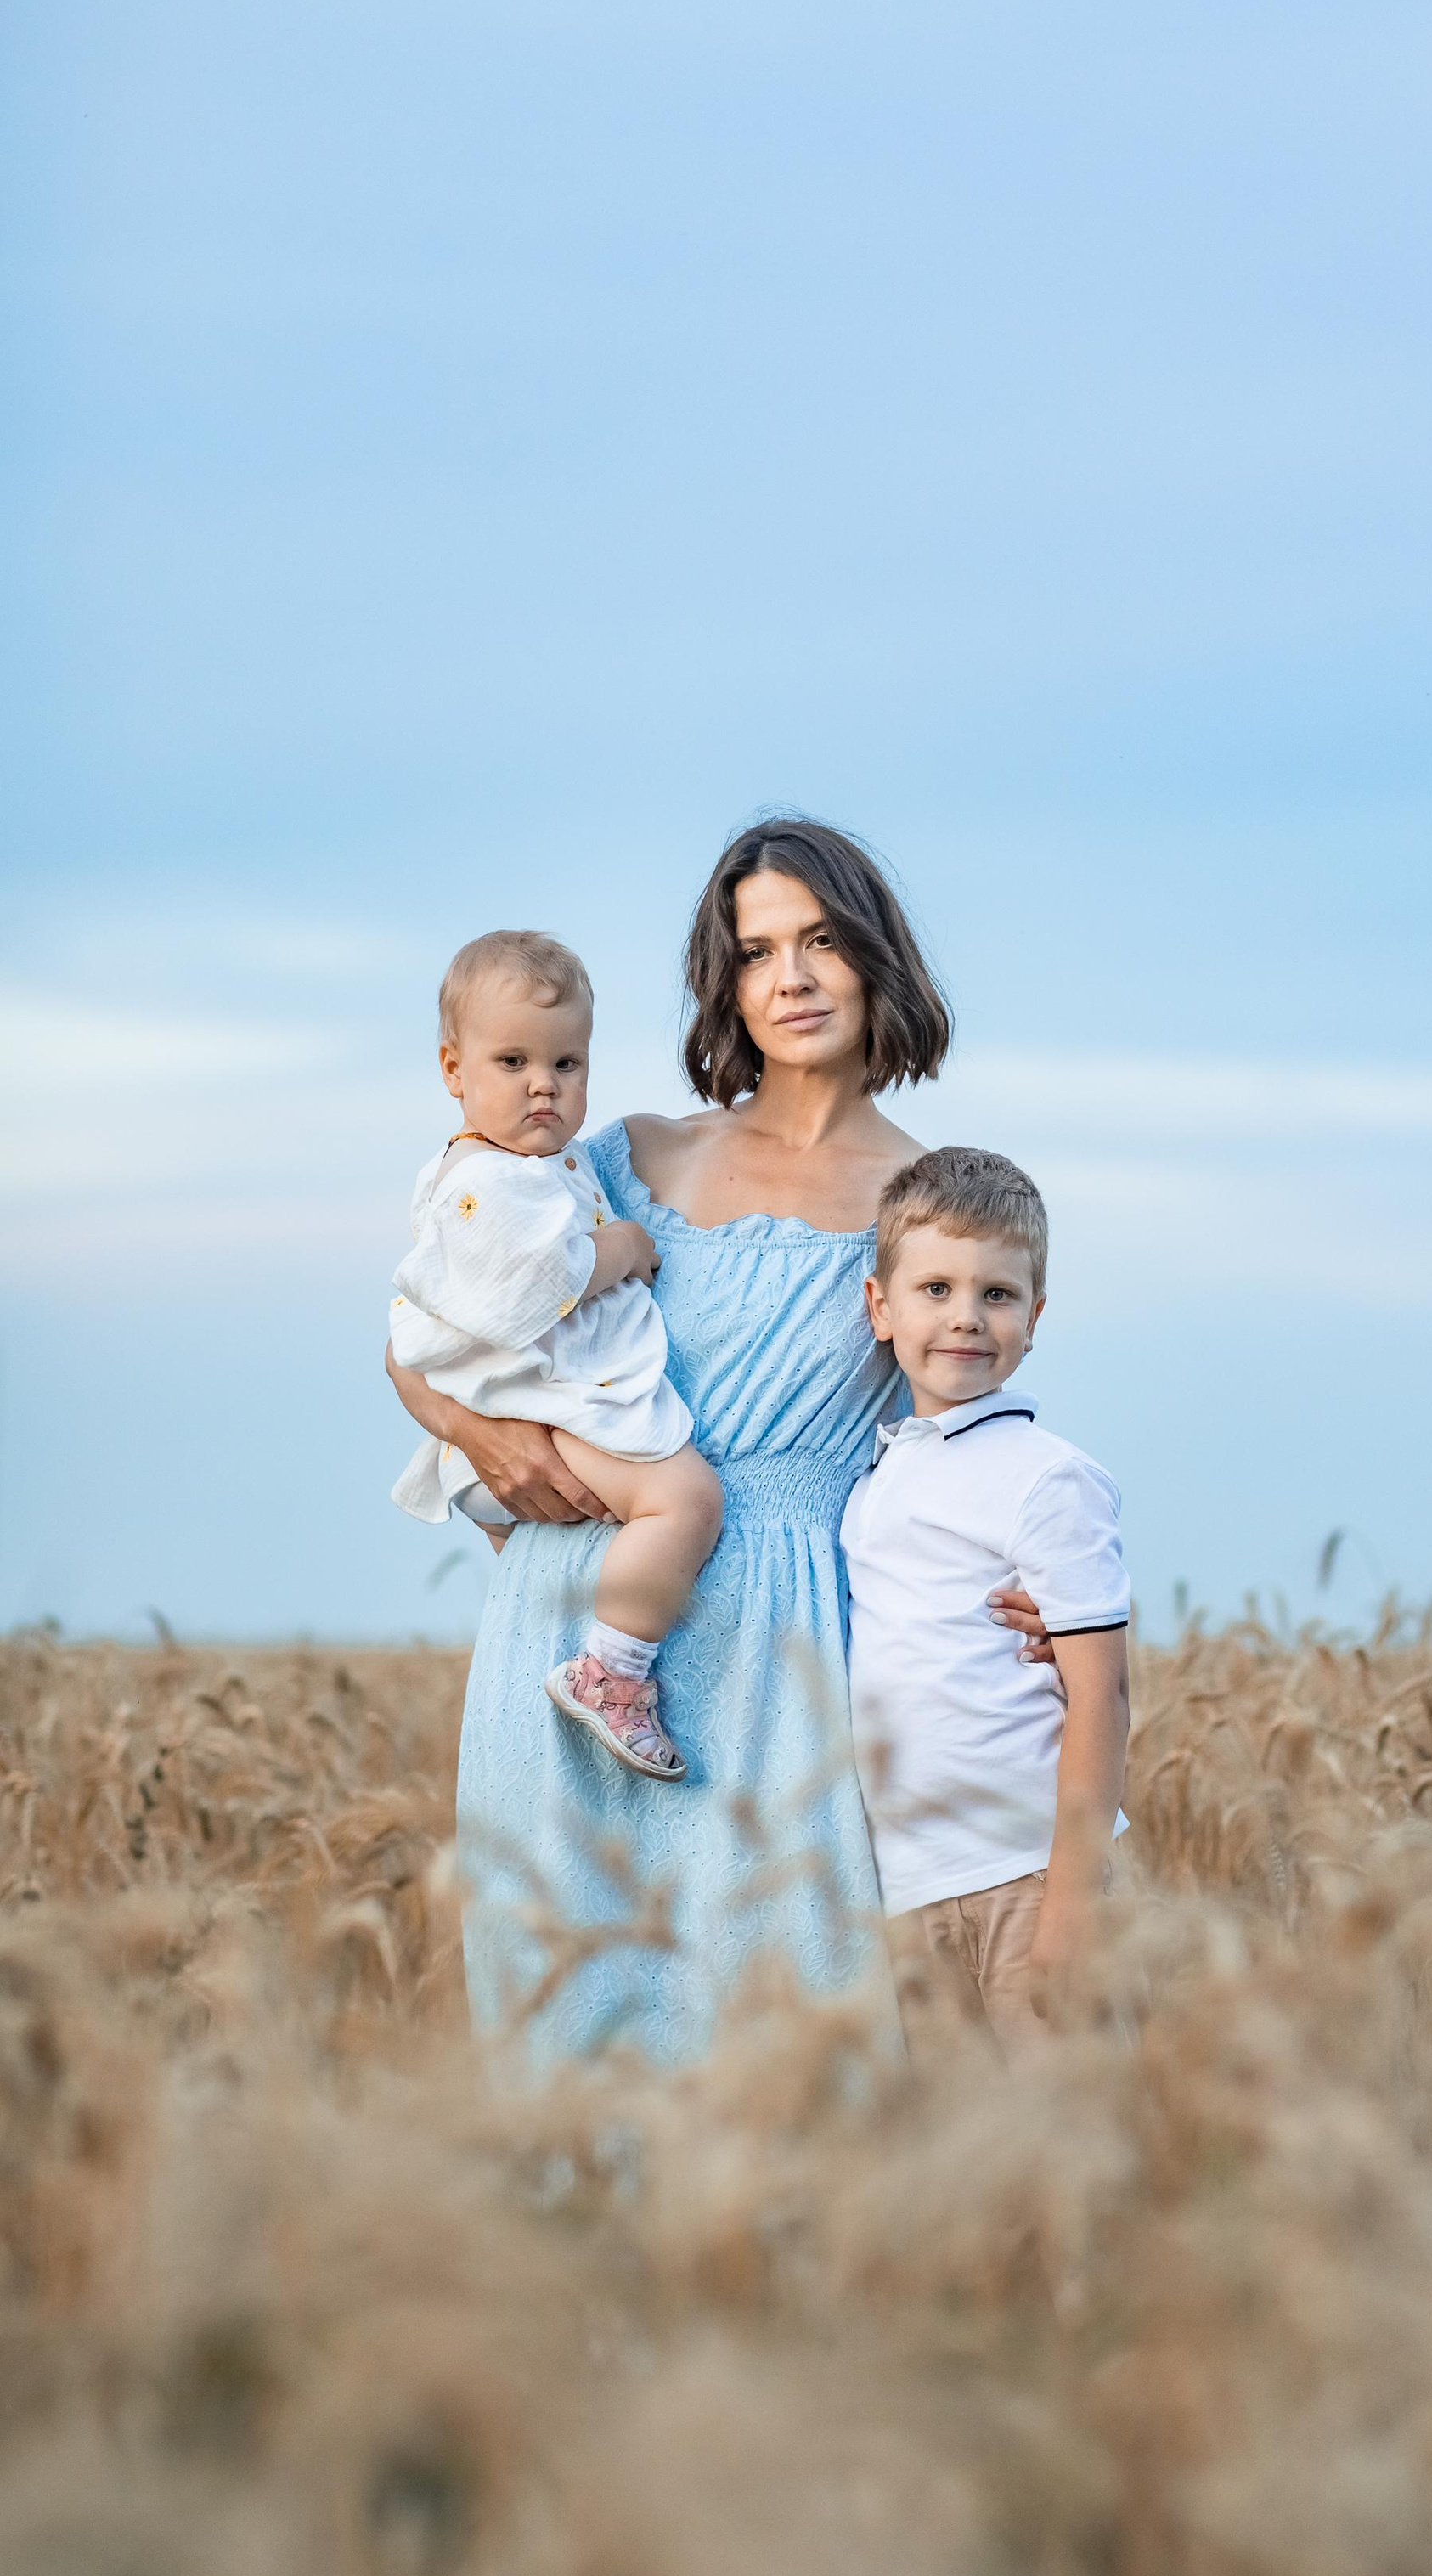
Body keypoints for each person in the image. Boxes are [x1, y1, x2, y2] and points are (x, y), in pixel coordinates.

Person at [385, 819, 1050, 2066]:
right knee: (562, 2054)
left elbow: (958, 1438)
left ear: (876, 958)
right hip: (567, 1621)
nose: (790, 977)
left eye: (820, 942)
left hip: (784, 1661)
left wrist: (1026, 1586)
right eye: (757, 952)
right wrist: (479, 1432)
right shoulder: (625, 1157)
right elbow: (429, 1322)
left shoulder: (928, 1201)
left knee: (781, 2057)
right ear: (725, 981)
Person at [390, 929, 723, 1784]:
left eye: (566, 1064)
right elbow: (543, 1280)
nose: (543, 1084)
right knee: (683, 1500)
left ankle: (555, 1613)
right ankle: (611, 1673)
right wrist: (624, 1247)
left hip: (523, 1411)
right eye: (512, 1062)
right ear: (453, 1071)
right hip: (536, 1407)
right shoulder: (491, 1183)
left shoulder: (524, 1167)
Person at [843, 1146, 1131, 2053]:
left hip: (1028, 1876)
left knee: (1075, 2156)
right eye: (935, 1290)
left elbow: (1102, 1695)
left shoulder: (1047, 1478)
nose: (966, 1318)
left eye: (997, 1295)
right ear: (879, 1308)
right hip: (911, 1888)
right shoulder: (874, 1475)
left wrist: (1072, 1906)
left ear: (1034, 1317)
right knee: (966, 2172)